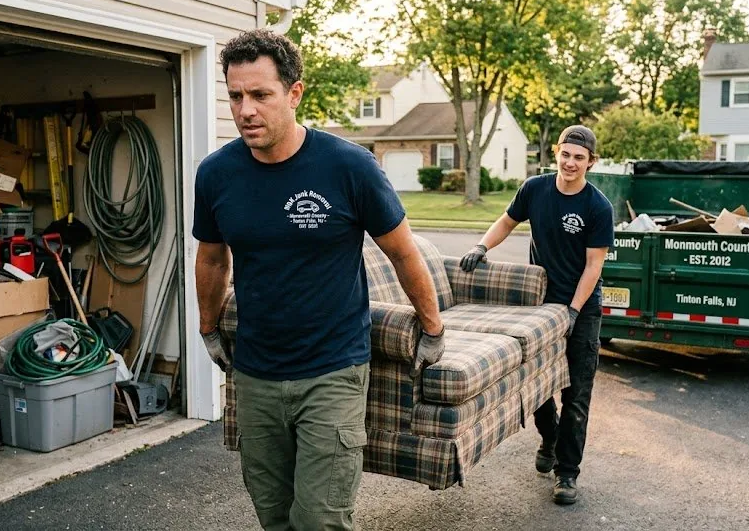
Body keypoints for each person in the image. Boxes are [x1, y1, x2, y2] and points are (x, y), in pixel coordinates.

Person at [192, 29, 446, 531]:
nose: (245, 110)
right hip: (257, 373)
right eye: (236, 96)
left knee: (320, 520)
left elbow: (402, 252)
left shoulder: (348, 167)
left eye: (260, 95)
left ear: (294, 93)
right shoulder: (216, 174)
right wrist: (207, 327)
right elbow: (213, 259)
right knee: (272, 513)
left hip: (333, 371)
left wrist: (432, 328)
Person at [459, 125, 613, 505]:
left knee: (576, 394)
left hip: (581, 307)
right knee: (538, 384)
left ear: (590, 162)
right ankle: (550, 438)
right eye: (566, 154)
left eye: (580, 157)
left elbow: (593, 267)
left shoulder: (597, 207)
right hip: (540, 305)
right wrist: (481, 247)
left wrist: (574, 311)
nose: (571, 162)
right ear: (556, 154)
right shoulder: (535, 189)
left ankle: (567, 474)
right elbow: (507, 222)